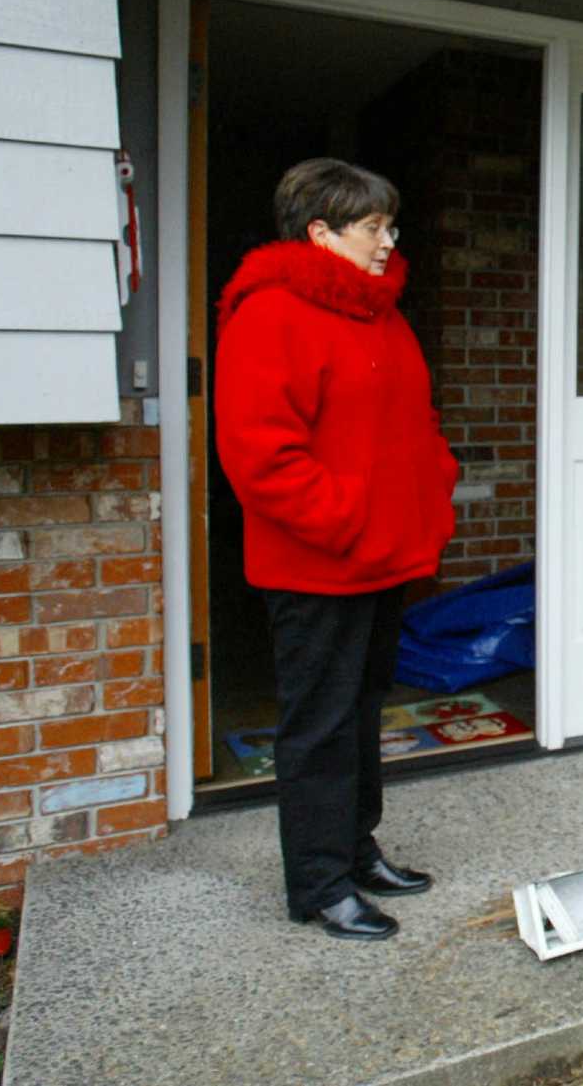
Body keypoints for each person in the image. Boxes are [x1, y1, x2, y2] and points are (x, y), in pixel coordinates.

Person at [213, 158, 459, 941]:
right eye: (373, 227)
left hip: (382, 558)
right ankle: (320, 883)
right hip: (319, 564)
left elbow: (416, 426)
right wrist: (351, 524)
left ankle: (357, 848)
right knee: (318, 725)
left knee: (359, 715)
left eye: (391, 225)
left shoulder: (382, 315)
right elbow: (260, 456)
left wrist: (433, 494)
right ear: (320, 231)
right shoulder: (270, 313)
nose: (389, 240)